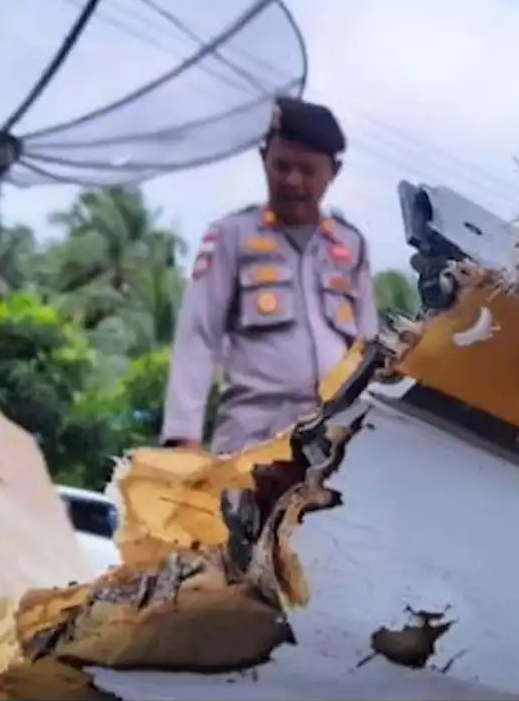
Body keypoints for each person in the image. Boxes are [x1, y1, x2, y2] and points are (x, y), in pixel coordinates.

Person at [161, 97, 378, 455]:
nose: (292, 181)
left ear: (333, 172)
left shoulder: (350, 245)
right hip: (253, 432)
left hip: (336, 432)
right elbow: (197, 335)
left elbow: (368, 343)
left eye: (308, 171)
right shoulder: (232, 235)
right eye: (281, 166)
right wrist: (183, 436)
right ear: (264, 159)